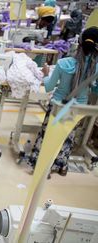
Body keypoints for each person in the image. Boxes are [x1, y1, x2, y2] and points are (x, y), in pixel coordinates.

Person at [28, 27, 98, 178]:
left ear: (79, 43)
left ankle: (42, 168)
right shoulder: (95, 69)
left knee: (48, 136)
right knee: (67, 137)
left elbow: (48, 86)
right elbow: (95, 89)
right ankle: (62, 166)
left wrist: (46, 74)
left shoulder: (63, 63)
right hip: (76, 109)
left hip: (58, 107)